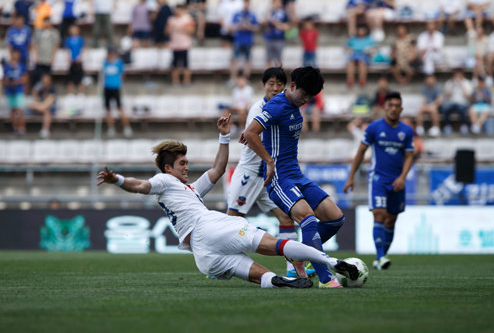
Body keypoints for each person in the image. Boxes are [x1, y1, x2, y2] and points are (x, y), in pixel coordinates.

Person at [97, 115, 359, 288]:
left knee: (255, 273)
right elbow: (141, 186)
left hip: (203, 254)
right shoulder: (164, 182)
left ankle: (287, 281)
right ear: (168, 168)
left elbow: (217, 170)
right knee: (274, 245)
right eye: (182, 163)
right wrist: (118, 179)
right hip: (209, 226)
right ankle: (332, 263)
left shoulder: (188, 190)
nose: (187, 167)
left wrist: (224, 137)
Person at [241, 66, 352, 288]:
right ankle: (325, 278)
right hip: (280, 178)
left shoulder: (294, 105)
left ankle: (298, 254)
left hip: (297, 175)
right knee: (308, 219)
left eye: (310, 98)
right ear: (292, 86)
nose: (305, 101)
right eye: (304, 95)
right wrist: (269, 161)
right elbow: (250, 133)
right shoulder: (277, 105)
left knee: (335, 217)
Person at [226, 67, 311, 278]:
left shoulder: (284, 105)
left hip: (267, 175)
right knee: (232, 219)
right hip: (251, 172)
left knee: (284, 216)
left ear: (285, 86)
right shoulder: (259, 108)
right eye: (271, 83)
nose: (275, 88)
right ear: (264, 85)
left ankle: (293, 267)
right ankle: (222, 261)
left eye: (279, 84)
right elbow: (252, 135)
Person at [344, 91, 414, 270]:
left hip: (397, 182)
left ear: (401, 108)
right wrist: (351, 177)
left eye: (396, 106)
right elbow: (360, 152)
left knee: (391, 220)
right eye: (389, 105)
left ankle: (381, 255)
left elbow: (409, 156)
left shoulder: (406, 131)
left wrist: (403, 177)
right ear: (385, 107)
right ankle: (381, 256)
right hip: (378, 179)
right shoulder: (374, 127)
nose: (392, 109)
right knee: (379, 214)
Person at [102, 47, 132, 137]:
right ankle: (111, 128)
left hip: (115, 88)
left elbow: (122, 74)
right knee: (108, 109)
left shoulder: (119, 63)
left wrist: (119, 82)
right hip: (107, 88)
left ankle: (126, 127)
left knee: (120, 108)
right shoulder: (105, 63)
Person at [230, 0, 259, 82]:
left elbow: (257, 28)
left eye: (247, 3)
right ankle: (233, 79)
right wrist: (239, 26)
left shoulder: (252, 15)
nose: (245, 4)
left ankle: (246, 78)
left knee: (247, 60)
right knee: (235, 60)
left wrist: (249, 27)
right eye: (244, 2)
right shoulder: (237, 14)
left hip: (248, 40)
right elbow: (231, 27)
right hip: (238, 40)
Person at [166, 4, 195, 86]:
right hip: (175, 45)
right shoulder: (171, 19)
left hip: (184, 45)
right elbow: (167, 31)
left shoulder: (187, 18)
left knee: (186, 65)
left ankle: (187, 81)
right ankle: (175, 81)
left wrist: (179, 28)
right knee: (174, 65)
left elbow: (191, 30)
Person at [31, 16, 60, 89]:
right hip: (40, 58)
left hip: (48, 58)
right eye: (45, 22)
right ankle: (36, 92)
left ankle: (47, 92)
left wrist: (53, 57)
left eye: (48, 22)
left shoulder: (54, 32)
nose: (46, 24)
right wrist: (36, 56)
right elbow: (35, 44)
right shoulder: (38, 32)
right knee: (37, 76)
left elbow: (56, 45)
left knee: (48, 76)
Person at [442, 68, 472, 136]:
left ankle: (464, 126)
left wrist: (461, 85)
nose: (458, 76)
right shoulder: (449, 82)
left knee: (462, 109)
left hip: (462, 103)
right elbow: (446, 96)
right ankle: (448, 126)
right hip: (451, 103)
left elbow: (468, 96)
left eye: (459, 74)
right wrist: (452, 85)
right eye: (456, 75)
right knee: (445, 108)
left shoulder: (466, 82)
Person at [4, 49, 28, 135]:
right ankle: (14, 128)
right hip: (10, 91)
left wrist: (16, 82)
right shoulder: (7, 66)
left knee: (20, 110)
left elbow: (25, 79)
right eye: (14, 54)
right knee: (13, 110)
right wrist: (10, 82)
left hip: (19, 90)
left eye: (18, 54)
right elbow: (5, 79)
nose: (16, 56)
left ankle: (21, 127)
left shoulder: (21, 66)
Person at [263, 0, 290, 67]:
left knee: (278, 60)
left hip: (279, 39)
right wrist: (267, 11)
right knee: (268, 59)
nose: (276, 4)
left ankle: (279, 76)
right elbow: (264, 22)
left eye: (277, 2)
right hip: (269, 38)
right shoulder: (270, 13)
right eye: (274, 2)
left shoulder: (284, 13)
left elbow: (287, 27)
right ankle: (268, 76)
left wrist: (277, 24)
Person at [28, 73, 56, 139]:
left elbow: (48, 103)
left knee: (46, 111)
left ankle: (45, 130)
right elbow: (35, 100)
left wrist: (38, 106)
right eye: (43, 80)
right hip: (39, 107)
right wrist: (35, 90)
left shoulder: (52, 89)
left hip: (49, 108)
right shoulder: (40, 89)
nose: (44, 81)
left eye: (46, 80)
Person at [64, 23, 85, 95]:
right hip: (71, 62)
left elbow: (83, 49)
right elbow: (67, 50)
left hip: (78, 62)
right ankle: (70, 94)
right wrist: (68, 58)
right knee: (70, 80)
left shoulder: (80, 39)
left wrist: (81, 57)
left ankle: (81, 94)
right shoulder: (68, 40)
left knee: (80, 79)